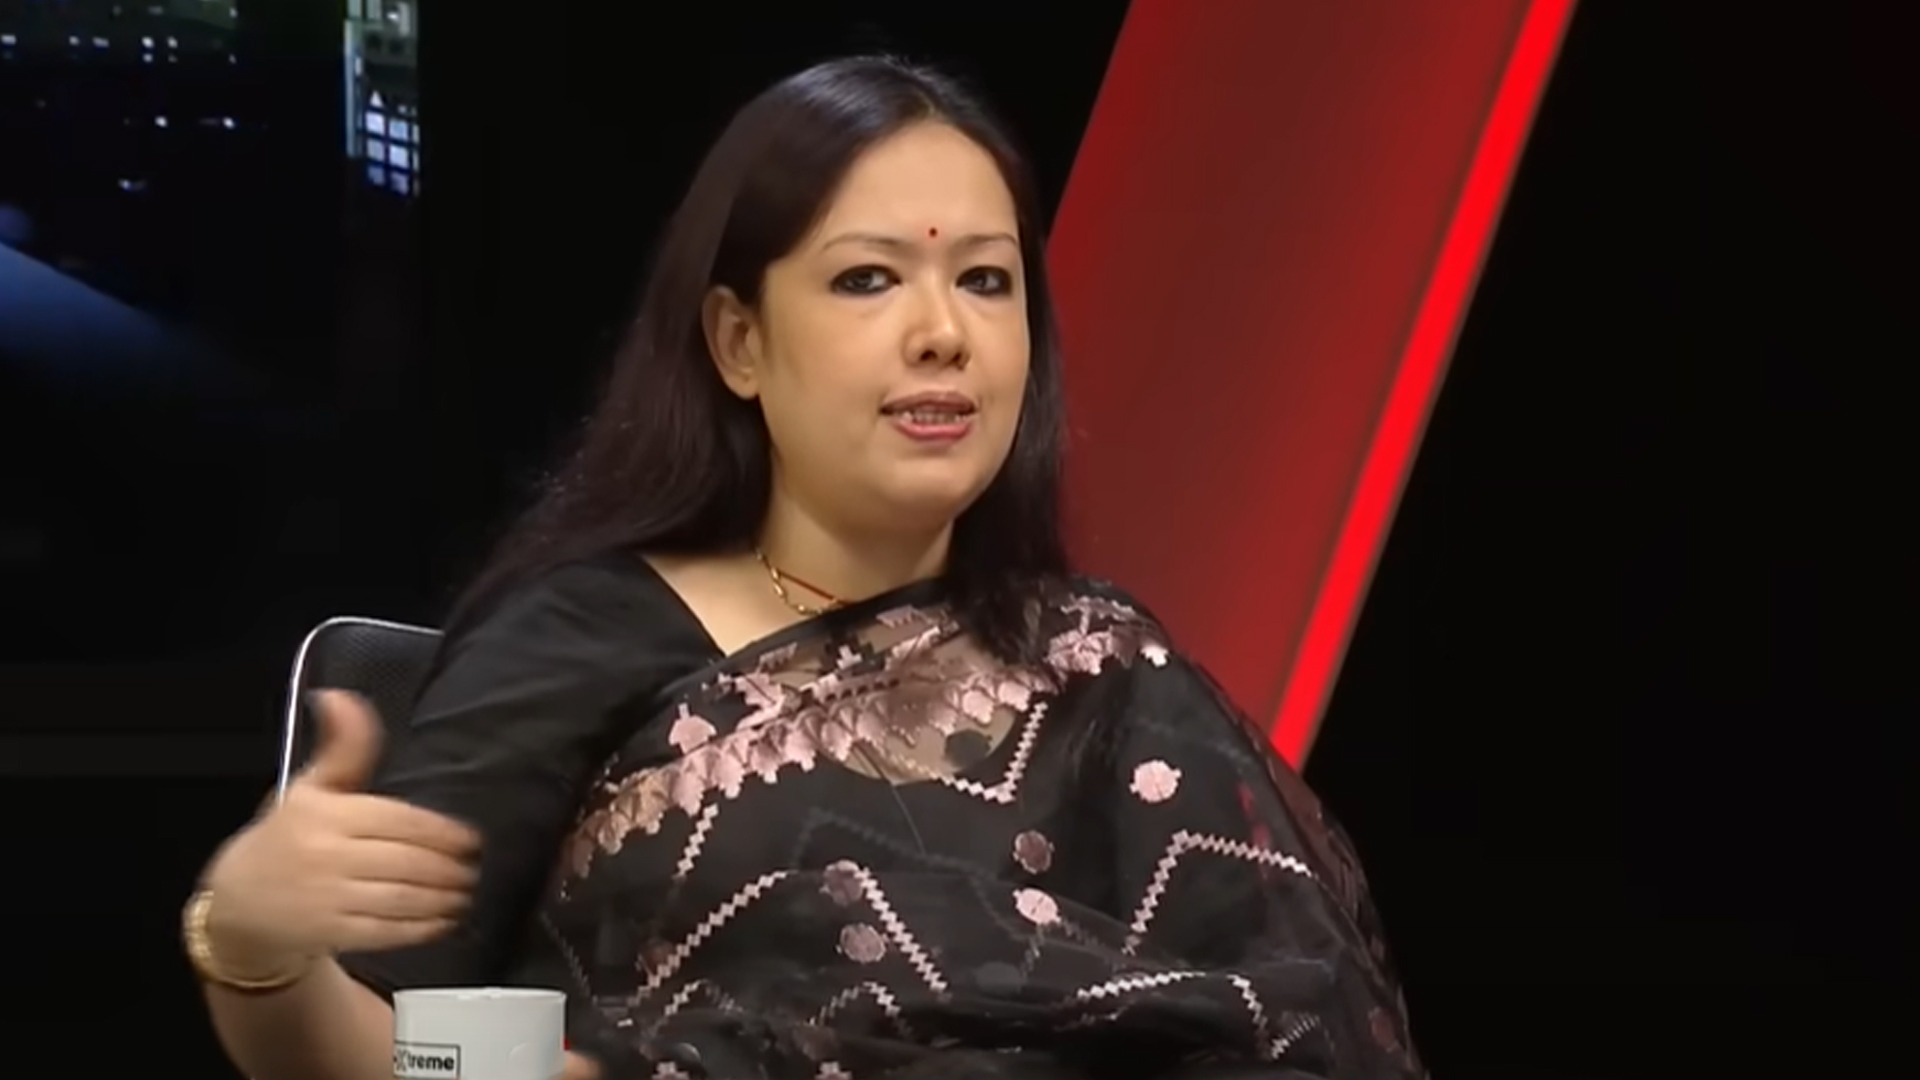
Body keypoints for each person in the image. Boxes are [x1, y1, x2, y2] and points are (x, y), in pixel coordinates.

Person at [186, 56, 1424, 1080]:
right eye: (867, 278)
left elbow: (1294, 1023)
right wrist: (256, 952)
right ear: (739, 342)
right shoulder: (583, 638)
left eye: (985, 280)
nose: (943, 332)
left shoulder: (1100, 672)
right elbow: (401, 1056)